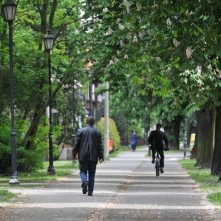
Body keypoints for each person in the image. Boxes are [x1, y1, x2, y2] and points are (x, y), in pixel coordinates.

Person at [72, 116, 103, 196]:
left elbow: (76, 144)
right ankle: (90, 191)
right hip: (93, 156)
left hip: (83, 155)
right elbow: (100, 146)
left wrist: (74, 154)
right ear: (93, 123)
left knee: (82, 171)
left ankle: (84, 181)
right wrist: (101, 157)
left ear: (86, 122)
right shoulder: (97, 132)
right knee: (92, 173)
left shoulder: (80, 131)